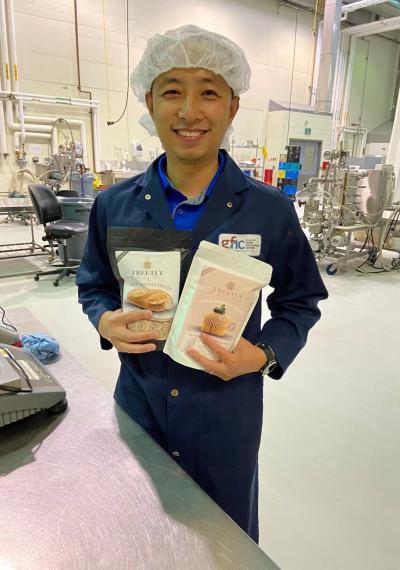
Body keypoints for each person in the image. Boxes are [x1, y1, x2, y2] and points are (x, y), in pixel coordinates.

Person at [77, 25, 328, 543]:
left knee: (224, 539)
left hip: (225, 410)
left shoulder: (269, 211)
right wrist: (105, 319)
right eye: (172, 90)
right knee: (143, 534)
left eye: (209, 91)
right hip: (140, 403)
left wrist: (259, 356)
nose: (190, 111)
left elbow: (301, 302)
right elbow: (94, 285)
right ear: (149, 100)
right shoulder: (114, 204)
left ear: (232, 106)